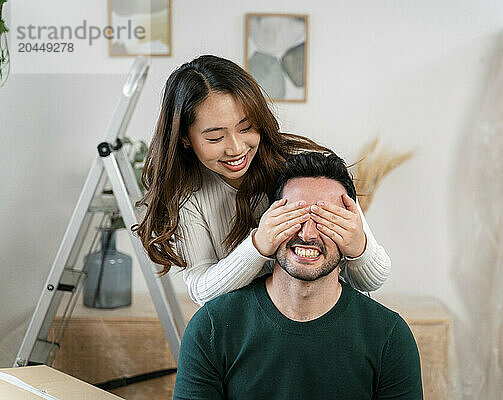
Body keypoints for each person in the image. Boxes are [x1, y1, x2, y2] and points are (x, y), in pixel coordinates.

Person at [134, 55, 391, 304]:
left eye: (246, 128)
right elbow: (202, 292)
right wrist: (259, 244)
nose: (235, 148)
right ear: (184, 138)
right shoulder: (188, 196)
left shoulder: (303, 169)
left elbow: (374, 278)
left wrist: (358, 247)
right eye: (214, 138)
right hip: (252, 327)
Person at [173, 152, 423, 400]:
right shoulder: (210, 329)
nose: (308, 233)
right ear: (270, 221)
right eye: (295, 215)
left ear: (351, 231)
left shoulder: (390, 337)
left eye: (326, 220)